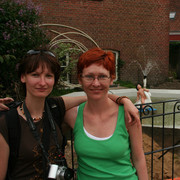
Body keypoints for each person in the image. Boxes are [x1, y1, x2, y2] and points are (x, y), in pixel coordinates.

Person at [0, 49, 140, 180]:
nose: (42, 82)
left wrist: (123, 100)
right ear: (23, 77)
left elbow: (93, 95)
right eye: (35, 75)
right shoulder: (7, 120)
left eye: (48, 76)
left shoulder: (55, 108)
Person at [64, 48, 148, 180]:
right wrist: (122, 99)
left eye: (102, 76)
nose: (96, 83)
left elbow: (139, 158)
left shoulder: (127, 115)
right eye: (89, 76)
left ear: (112, 79)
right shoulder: (72, 115)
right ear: (80, 79)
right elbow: (52, 104)